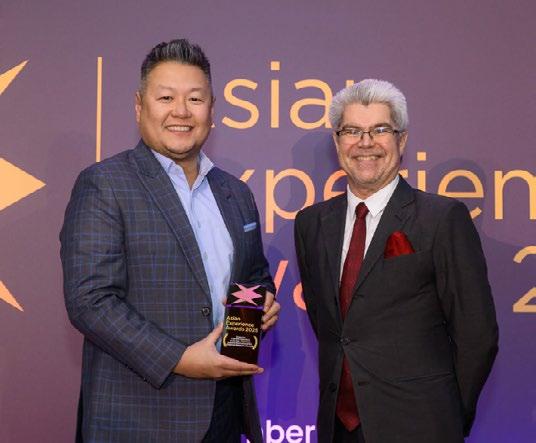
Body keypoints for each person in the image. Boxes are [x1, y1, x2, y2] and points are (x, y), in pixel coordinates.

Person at [60, 39, 279, 443]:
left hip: (226, 414)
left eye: (195, 98)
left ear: (212, 109)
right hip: (139, 418)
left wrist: (262, 303)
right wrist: (179, 359)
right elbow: (90, 301)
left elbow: (254, 277)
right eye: (166, 98)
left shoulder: (236, 193)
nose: (181, 111)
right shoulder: (105, 184)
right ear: (139, 106)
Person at [294, 79, 498, 443]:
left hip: (421, 428)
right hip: (337, 429)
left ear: (401, 141)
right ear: (337, 143)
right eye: (352, 131)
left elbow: (477, 335)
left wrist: (447, 417)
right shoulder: (311, 224)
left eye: (380, 130)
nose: (365, 142)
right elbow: (330, 326)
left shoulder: (441, 219)